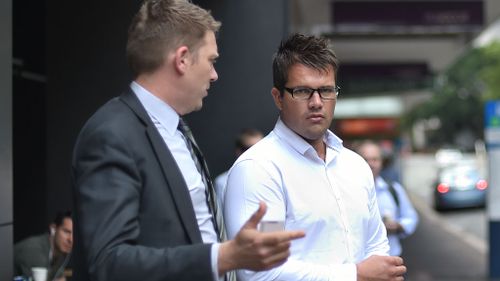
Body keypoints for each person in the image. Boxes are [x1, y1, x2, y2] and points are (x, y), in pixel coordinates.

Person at [71, 1, 305, 281]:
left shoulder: (176, 129)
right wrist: (224, 256)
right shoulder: (111, 134)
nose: (215, 74)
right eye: (211, 60)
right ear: (182, 59)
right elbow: (109, 262)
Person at [224, 33, 407, 281]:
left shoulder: (355, 166)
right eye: (302, 91)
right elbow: (260, 273)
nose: (317, 102)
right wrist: (354, 275)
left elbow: (377, 247)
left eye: (326, 90)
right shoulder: (258, 169)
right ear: (278, 98)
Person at [357, 140, 419, 257]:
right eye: (366, 160)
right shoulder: (347, 192)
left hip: (391, 257)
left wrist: (399, 226)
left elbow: (411, 217)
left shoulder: (394, 189)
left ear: (382, 162)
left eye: (375, 159)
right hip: (361, 263)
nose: (371, 164)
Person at [14, 211, 73, 281]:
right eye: (66, 232)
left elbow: (60, 278)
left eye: (73, 234)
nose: (70, 239)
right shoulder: (35, 250)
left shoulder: (59, 253)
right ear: (53, 229)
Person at [214, 128, 263, 208]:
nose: (255, 153)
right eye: (249, 148)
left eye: (260, 148)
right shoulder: (223, 182)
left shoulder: (274, 177)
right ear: (238, 151)